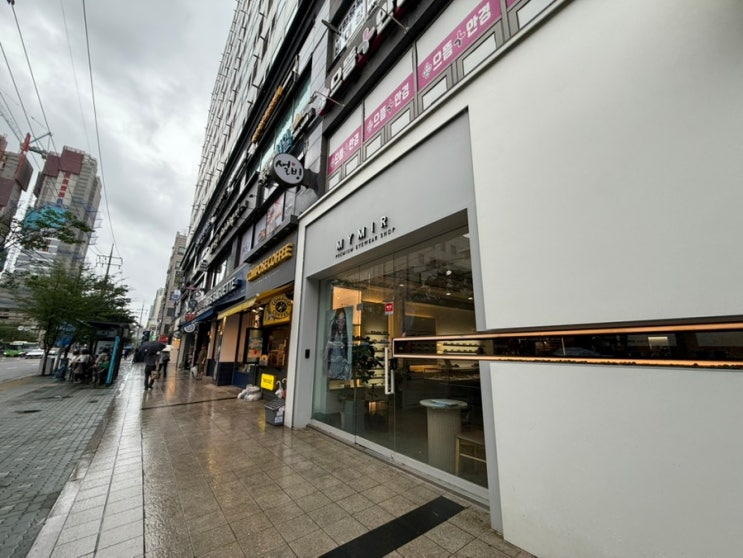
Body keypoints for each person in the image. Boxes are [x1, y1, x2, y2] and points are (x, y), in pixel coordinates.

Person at [323, 307, 351, 380]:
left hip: (342, 373)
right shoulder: (332, 335)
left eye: (343, 321)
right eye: (339, 321)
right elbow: (325, 356)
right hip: (333, 373)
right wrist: (326, 372)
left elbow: (345, 356)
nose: (341, 324)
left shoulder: (344, 335)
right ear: (336, 321)